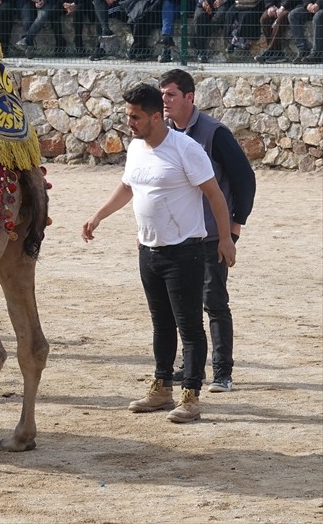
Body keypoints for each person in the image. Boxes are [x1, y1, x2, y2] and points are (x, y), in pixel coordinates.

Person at [82, 84, 236, 425]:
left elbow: (214, 195)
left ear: (155, 116)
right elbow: (127, 186)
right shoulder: (136, 148)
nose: (130, 123)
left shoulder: (186, 148)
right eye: (127, 116)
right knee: (161, 323)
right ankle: (162, 387)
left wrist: (225, 238)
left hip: (186, 252)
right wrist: (98, 216)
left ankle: (191, 396)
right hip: (148, 250)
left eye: (135, 117)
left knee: (190, 327)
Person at [158, 70, 256, 394]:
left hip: (213, 234)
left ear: (190, 97)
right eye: (162, 95)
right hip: (179, 238)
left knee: (214, 301)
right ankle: (190, 370)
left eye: (171, 95)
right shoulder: (164, 135)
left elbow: (244, 179)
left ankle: (222, 373)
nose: (165, 101)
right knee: (184, 306)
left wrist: (235, 225)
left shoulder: (215, 133)